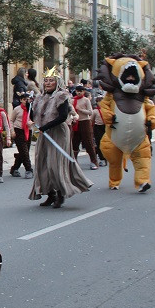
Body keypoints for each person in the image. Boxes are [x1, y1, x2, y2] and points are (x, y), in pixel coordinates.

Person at [28, 67, 93, 208]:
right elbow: (35, 116)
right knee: (42, 163)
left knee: (54, 164)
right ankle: (49, 193)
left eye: (51, 80)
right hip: (44, 134)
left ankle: (60, 193)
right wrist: (31, 114)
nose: (48, 83)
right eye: (46, 80)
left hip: (58, 133)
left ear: (57, 82)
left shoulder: (62, 96)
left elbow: (63, 116)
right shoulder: (39, 97)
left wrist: (46, 127)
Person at [71, 86, 99, 169]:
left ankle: (94, 161)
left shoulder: (86, 100)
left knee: (88, 142)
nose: (79, 93)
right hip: (76, 122)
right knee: (74, 142)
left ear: (84, 92)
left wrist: (81, 110)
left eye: (81, 91)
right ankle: (74, 161)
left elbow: (90, 112)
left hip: (85, 121)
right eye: (77, 91)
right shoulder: (72, 100)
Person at [9, 91, 34, 179]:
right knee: (24, 151)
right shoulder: (17, 109)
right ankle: (29, 170)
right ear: (21, 100)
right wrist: (12, 131)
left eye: (28, 99)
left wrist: (32, 122)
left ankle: (14, 169)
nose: (26, 101)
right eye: (24, 99)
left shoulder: (31, 109)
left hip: (28, 131)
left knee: (24, 151)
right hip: (18, 130)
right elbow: (11, 120)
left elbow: (36, 119)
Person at [92, 95, 107, 167]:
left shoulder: (107, 110)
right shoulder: (95, 111)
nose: (100, 103)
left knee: (108, 143)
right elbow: (92, 120)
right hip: (98, 127)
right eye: (99, 101)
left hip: (106, 127)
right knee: (99, 143)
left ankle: (108, 157)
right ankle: (102, 159)